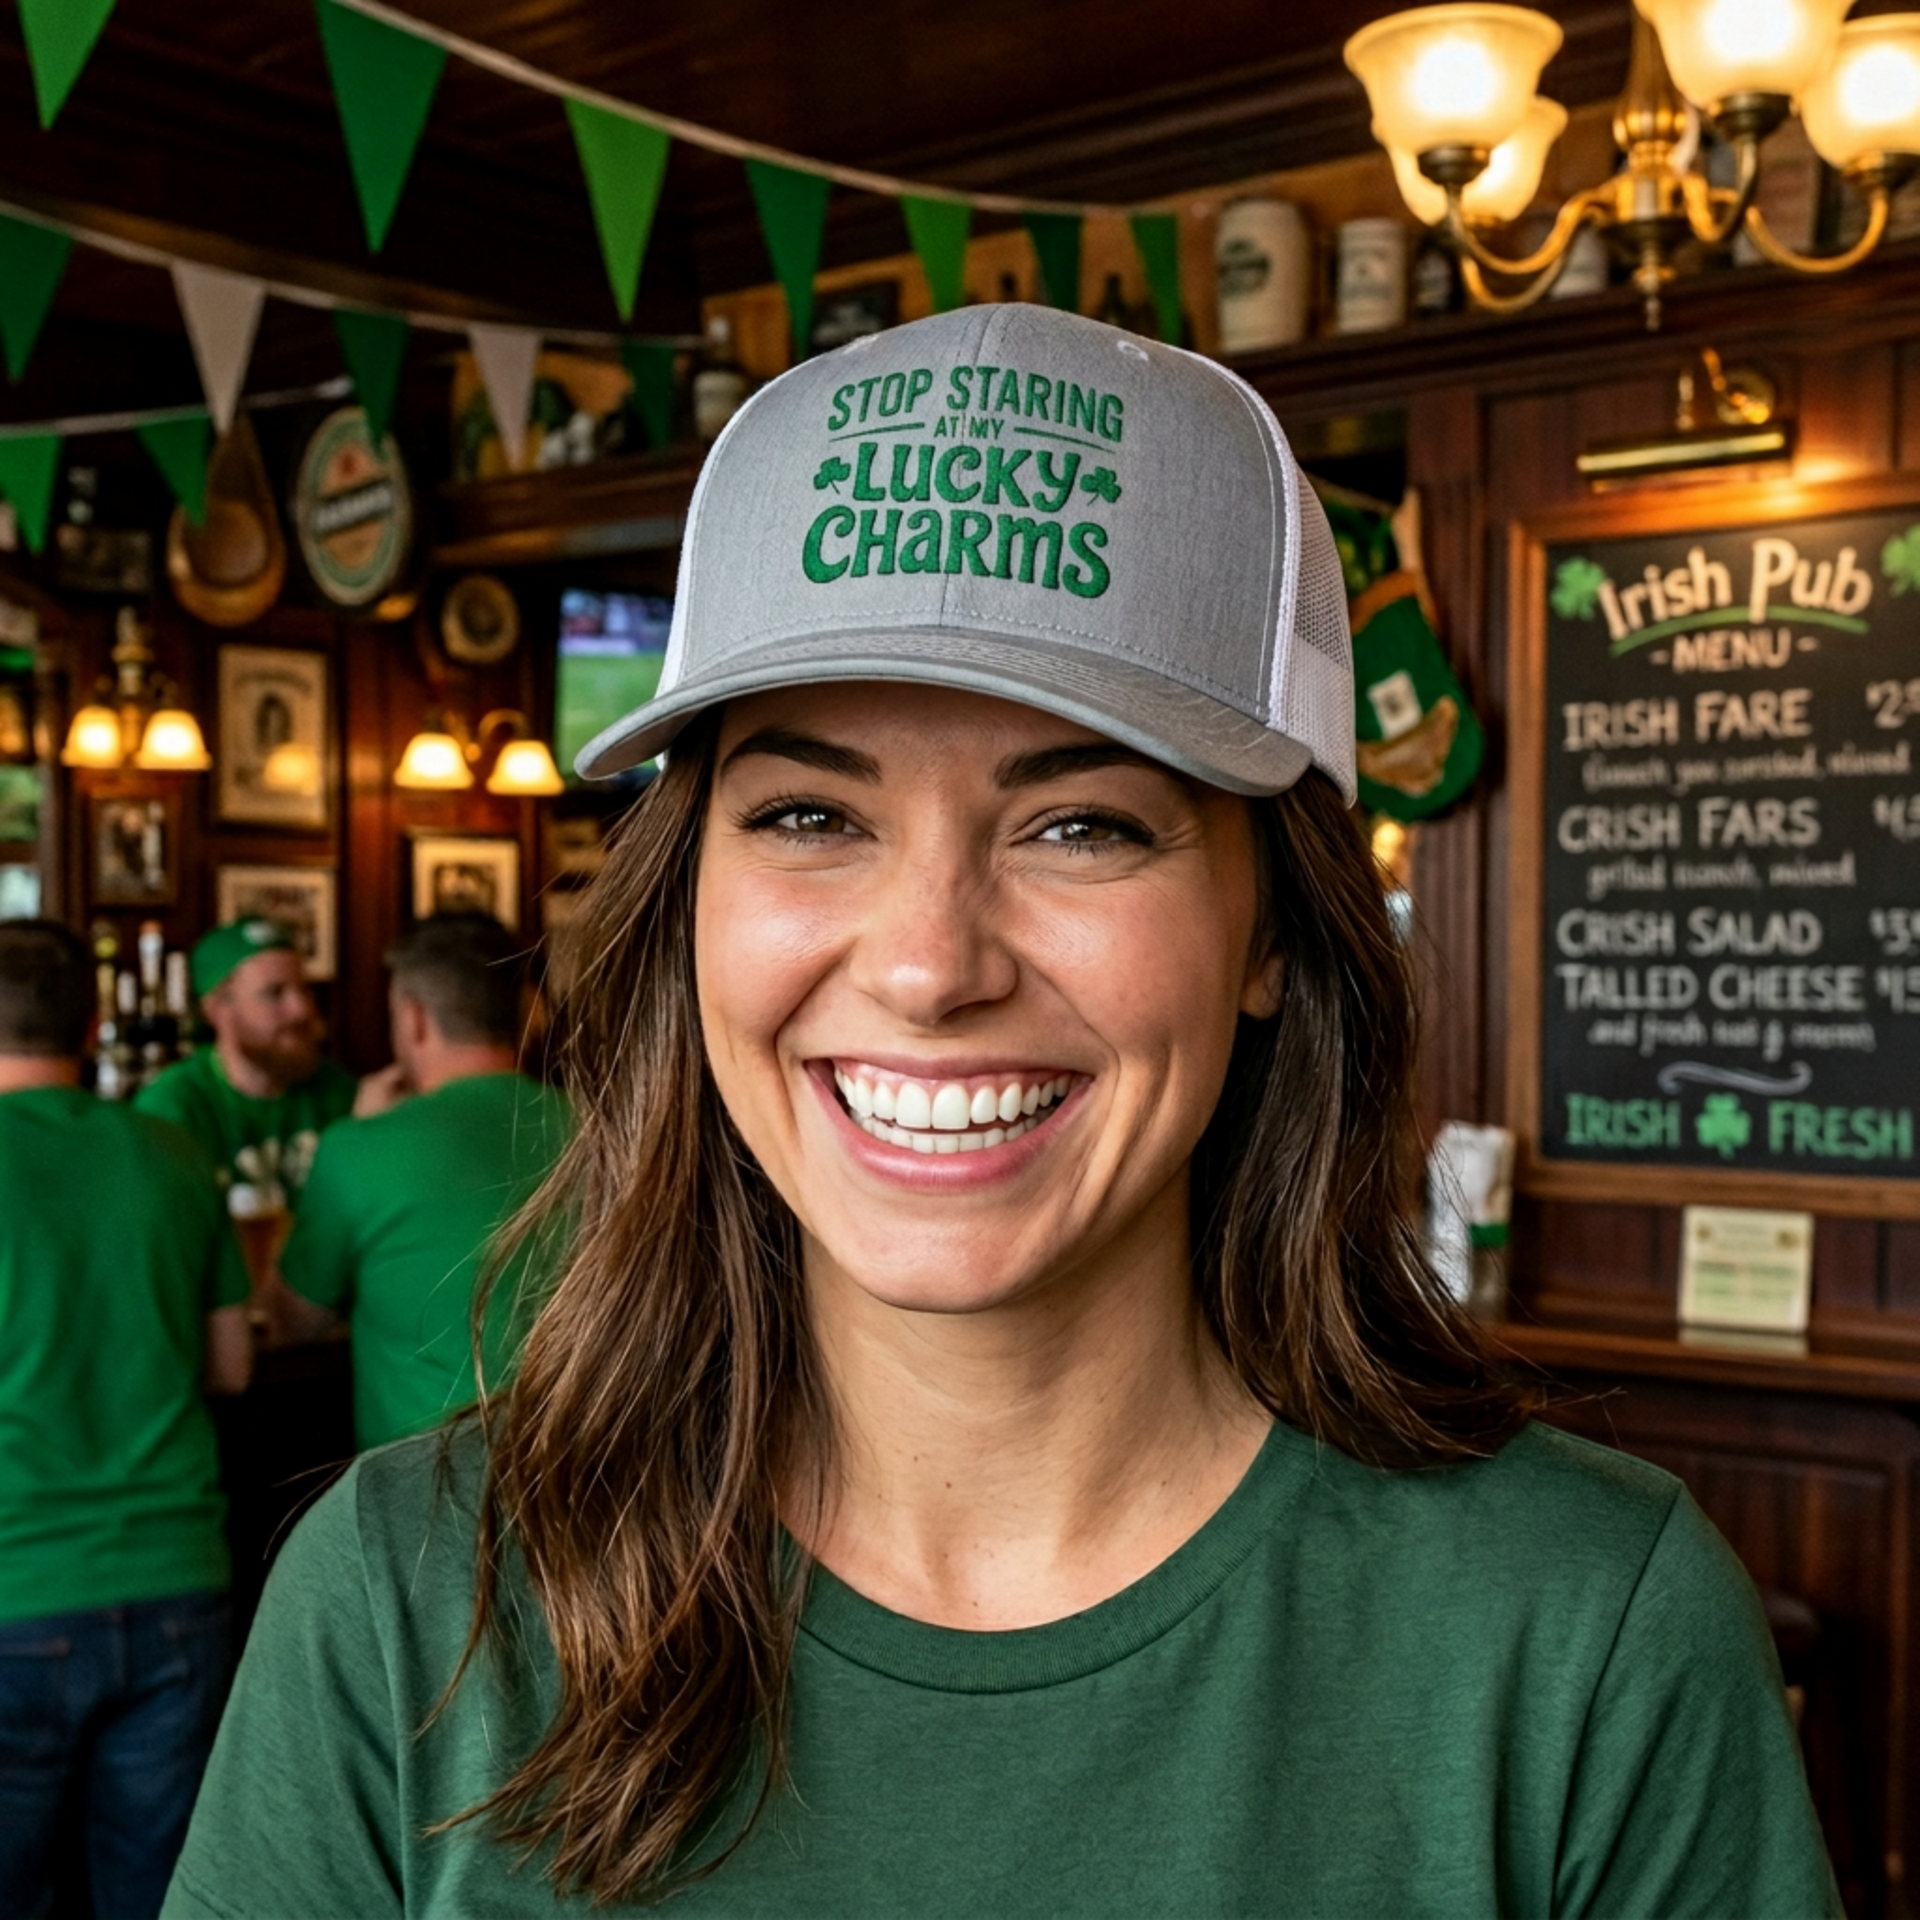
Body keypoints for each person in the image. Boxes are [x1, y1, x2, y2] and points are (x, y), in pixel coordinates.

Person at [163, 308, 1839, 1917]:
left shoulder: (1585, 1629)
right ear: (685, 906)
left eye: (1085, 825)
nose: (926, 963)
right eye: (814, 812)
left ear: (1272, 930)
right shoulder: (404, 1602)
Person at [0, 920, 252, 1920]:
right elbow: (232, 1364)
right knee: (161, 1898)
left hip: (16, 1586)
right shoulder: (171, 1150)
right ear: (95, 1022)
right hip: (179, 1582)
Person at [267, 913, 572, 1450]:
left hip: (424, 1501)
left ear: (413, 1019)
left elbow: (293, 1323)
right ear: (523, 1009)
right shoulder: (600, 1129)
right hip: (590, 1479)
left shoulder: (359, 1148)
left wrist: (364, 1130)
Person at [135, 917, 357, 1224]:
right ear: (217, 1009)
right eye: (275, 993)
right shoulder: (174, 1108)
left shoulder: (338, 1092)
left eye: (304, 991)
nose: (301, 1009)